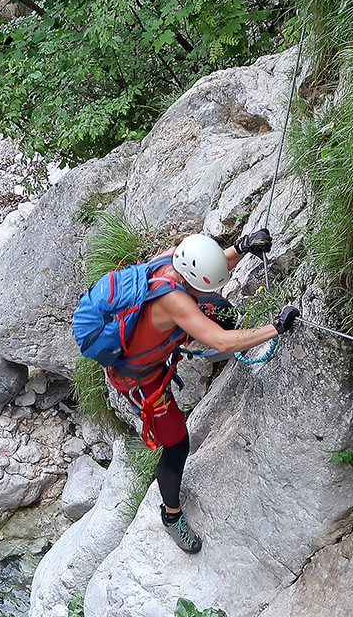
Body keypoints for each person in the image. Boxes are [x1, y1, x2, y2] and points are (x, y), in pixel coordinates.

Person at [105, 230, 301, 554]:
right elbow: (222, 341)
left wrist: (242, 248)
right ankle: (171, 516)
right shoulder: (174, 302)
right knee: (177, 443)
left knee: (220, 307)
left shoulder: (172, 260)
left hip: (150, 341)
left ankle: (198, 343)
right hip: (142, 378)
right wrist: (275, 328)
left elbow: (203, 269)